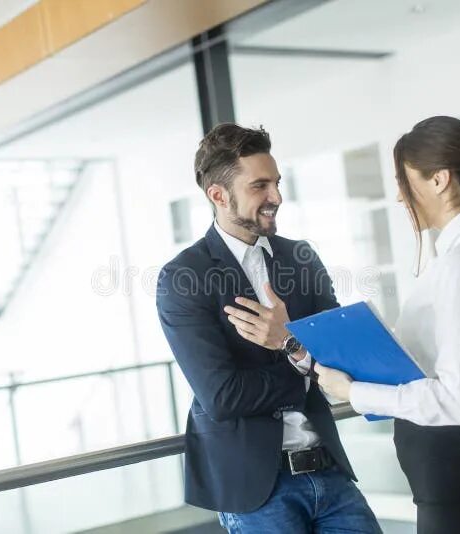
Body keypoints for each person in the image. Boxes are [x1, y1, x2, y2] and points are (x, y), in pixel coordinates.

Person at [315, 116, 460, 534]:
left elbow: (456, 402)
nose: (401, 196)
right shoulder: (458, 257)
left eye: (405, 182)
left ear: (439, 179)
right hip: (452, 480)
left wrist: (353, 393)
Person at [157, 123, 381, 533]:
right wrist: (303, 367)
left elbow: (341, 358)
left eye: (276, 183)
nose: (276, 197)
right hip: (257, 492)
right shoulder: (184, 277)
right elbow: (223, 396)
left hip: (329, 472)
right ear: (219, 195)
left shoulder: (300, 257)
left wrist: (290, 340)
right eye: (260, 186)